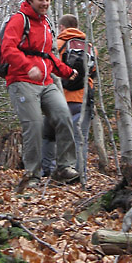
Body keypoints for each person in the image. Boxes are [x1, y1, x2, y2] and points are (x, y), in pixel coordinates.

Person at [1, 0, 79, 187]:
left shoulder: (46, 24)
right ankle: (32, 176)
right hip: (21, 81)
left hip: (46, 82)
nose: (45, 3)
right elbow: (7, 49)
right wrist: (28, 67)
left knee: (63, 115)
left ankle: (64, 167)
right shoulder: (19, 20)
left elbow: (47, 55)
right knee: (34, 126)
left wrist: (66, 71)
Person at [41, 15, 96, 180]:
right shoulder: (90, 47)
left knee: (48, 135)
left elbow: (48, 69)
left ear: (62, 28)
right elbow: (93, 73)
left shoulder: (57, 45)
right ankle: (79, 176)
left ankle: (48, 171)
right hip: (84, 99)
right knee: (80, 139)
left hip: (59, 99)